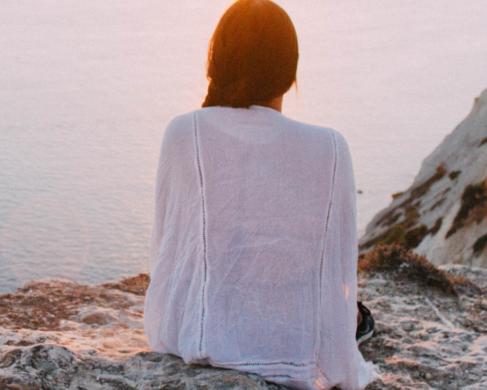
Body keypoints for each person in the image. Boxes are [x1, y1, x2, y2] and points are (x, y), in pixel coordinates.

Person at [143, 0, 375, 388]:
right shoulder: (331, 147)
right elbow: (337, 266)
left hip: (201, 335)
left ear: (216, 62)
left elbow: (166, 255)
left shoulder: (183, 133)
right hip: (292, 341)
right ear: (289, 72)